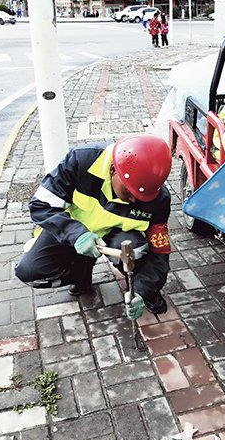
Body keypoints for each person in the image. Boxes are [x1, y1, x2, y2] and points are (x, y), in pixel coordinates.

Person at [15, 134, 172, 320]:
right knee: (29, 272)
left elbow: (160, 255)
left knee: (137, 250)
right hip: (73, 232)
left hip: (116, 238)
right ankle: (81, 272)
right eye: (129, 192)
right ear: (114, 169)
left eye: (142, 197)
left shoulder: (160, 200)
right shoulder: (80, 161)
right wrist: (75, 234)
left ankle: (143, 291)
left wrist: (143, 290)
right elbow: (40, 205)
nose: (133, 200)